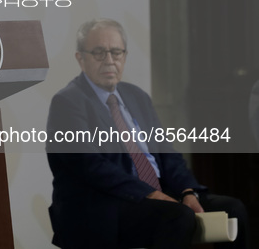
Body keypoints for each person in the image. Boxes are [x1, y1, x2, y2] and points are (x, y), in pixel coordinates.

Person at [46, 19, 248, 249]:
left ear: (125, 55)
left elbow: (167, 154)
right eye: (99, 53)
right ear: (80, 58)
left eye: (116, 52)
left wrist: (187, 191)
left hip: (155, 196)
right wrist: (151, 194)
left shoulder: (136, 96)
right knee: (176, 217)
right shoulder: (68, 102)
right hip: (103, 204)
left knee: (233, 210)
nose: (109, 61)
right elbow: (90, 166)